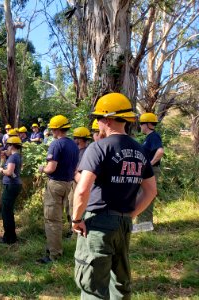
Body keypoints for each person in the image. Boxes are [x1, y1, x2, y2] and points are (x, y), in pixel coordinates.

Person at [72, 93, 157, 299]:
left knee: (93, 285)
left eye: (99, 118)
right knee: (120, 283)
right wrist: (131, 214)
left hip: (99, 223)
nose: (97, 123)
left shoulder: (99, 147)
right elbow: (151, 190)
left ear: (108, 119)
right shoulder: (139, 149)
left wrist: (76, 219)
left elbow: (82, 189)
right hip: (124, 223)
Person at [37, 115, 79, 263]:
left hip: (55, 185)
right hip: (68, 184)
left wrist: (42, 168)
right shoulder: (74, 144)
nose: (51, 131)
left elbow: (51, 168)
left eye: (52, 128)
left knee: (52, 219)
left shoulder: (56, 144)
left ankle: (54, 255)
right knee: (59, 218)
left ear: (56, 129)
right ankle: (55, 248)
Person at [134, 112, 164, 232]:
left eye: (141, 124)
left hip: (152, 170)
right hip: (148, 170)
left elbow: (160, 151)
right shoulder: (149, 137)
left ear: (147, 124)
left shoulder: (154, 136)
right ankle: (143, 225)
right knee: (143, 195)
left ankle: (145, 225)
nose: (140, 126)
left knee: (146, 195)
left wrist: (149, 164)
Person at [0, 136, 23, 244]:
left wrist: (1, 170)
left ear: (11, 146)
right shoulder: (16, 156)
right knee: (8, 211)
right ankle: (11, 236)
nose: (6, 147)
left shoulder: (13, 157)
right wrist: (3, 159)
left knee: (6, 211)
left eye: (8, 145)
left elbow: (9, 172)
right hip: (14, 185)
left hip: (11, 185)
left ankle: (9, 238)